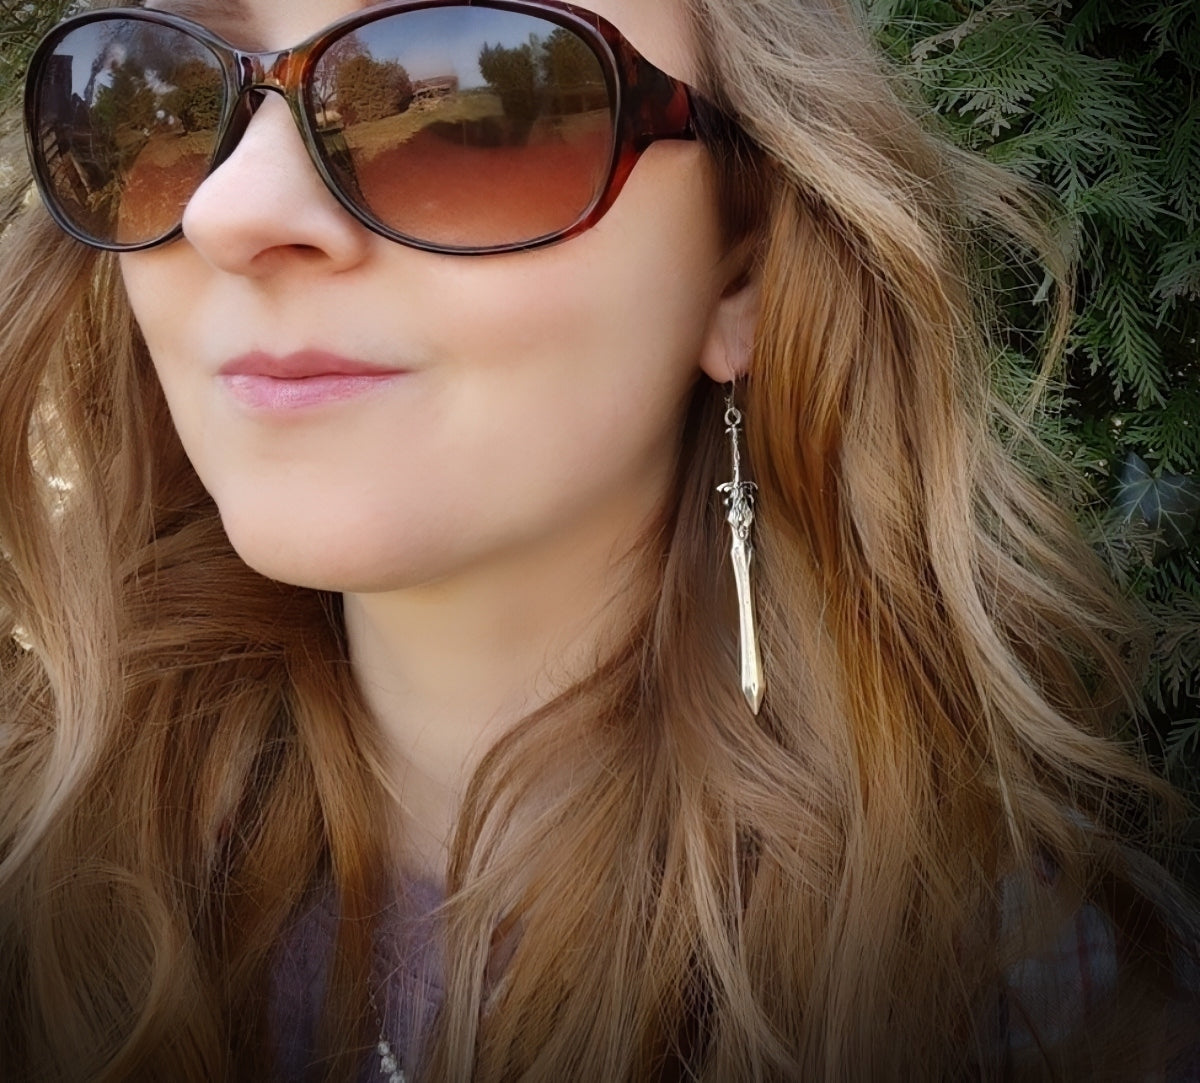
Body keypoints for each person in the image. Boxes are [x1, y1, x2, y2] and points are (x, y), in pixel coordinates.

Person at [1, 0, 1197, 1079]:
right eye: (159, 91)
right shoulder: (34, 884)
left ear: (743, 267)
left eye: (461, 97)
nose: (231, 209)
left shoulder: (1046, 1006)